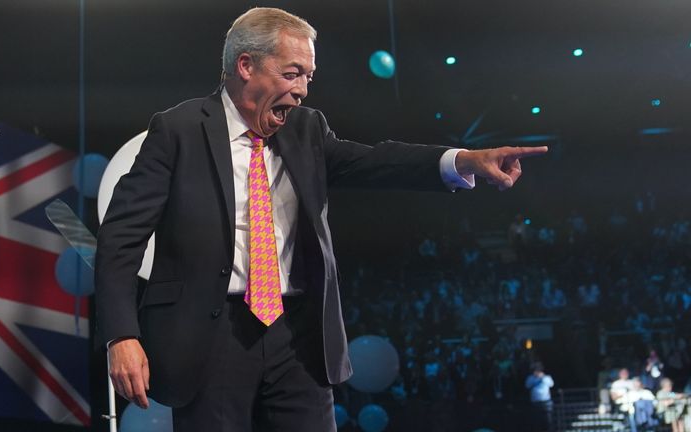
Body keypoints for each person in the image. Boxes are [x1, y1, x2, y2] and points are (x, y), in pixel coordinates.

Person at [95, 7, 547, 431]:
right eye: (291, 73)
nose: (302, 89)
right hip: (208, 337)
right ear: (246, 66)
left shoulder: (306, 127)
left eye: (308, 76)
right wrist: (121, 336)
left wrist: (465, 160)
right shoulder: (177, 130)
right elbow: (120, 238)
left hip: (300, 337)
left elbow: (377, 162)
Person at [525, 362, 555, 432]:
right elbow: (527, 386)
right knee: (537, 422)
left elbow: (551, 384)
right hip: (535, 403)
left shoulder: (547, 377)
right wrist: (535, 379)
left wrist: (542, 377)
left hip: (546, 403)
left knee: (548, 422)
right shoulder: (530, 378)